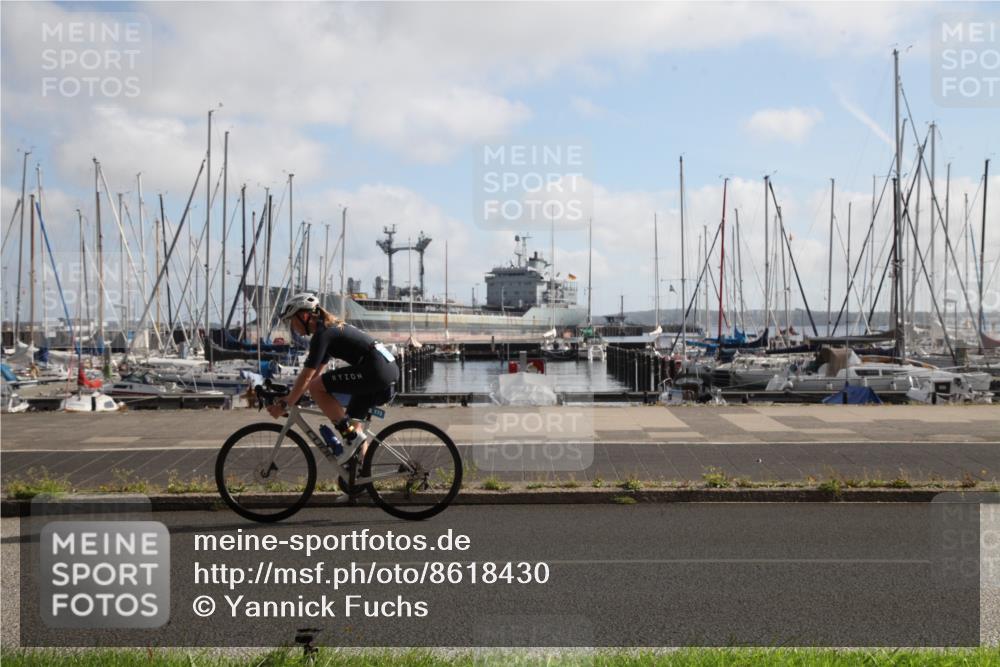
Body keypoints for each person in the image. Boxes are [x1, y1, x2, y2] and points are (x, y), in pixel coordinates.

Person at [267, 293, 399, 446]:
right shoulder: (329, 328)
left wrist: (285, 405)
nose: (292, 326)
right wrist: (293, 396)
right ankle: (361, 467)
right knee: (354, 428)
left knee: (317, 389)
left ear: (303, 316)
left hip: (376, 369)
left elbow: (309, 379)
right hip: (385, 368)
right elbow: (316, 374)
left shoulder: (323, 334)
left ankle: (350, 436)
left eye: (292, 320)